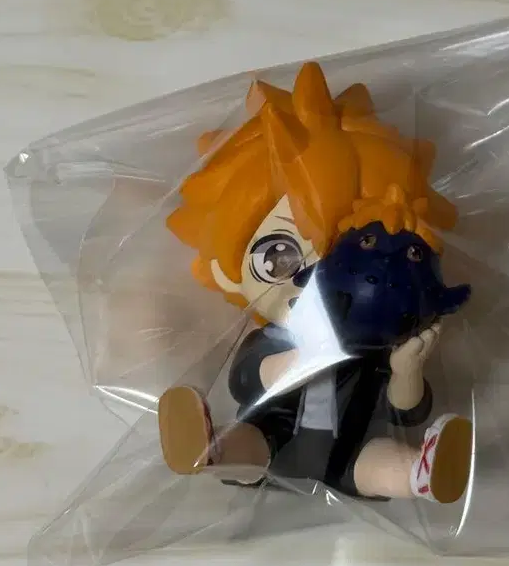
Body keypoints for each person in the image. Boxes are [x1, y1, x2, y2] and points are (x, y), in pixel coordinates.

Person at [157, 61, 472, 504]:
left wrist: (407, 370)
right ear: (226, 269)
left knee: (382, 462)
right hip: (271, 436)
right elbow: (246, 381)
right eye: (279, 254)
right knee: (245, 443)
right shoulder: (271, 339)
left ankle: (421, 475)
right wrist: (301, 358)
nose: (319, 282)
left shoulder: (374, 351)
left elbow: (406, 412)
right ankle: (210, 451)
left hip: (352, 449)